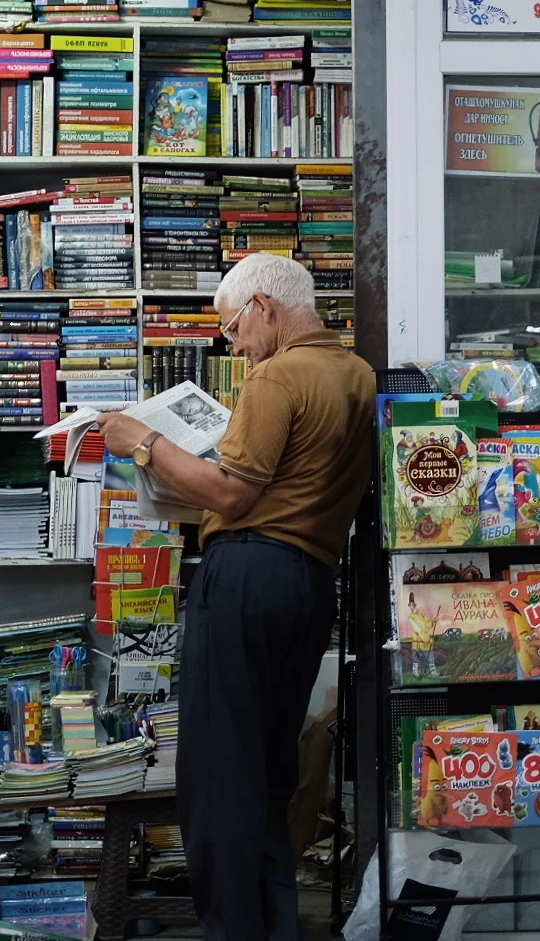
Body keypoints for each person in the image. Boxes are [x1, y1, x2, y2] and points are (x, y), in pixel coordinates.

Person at [97, 252, 375, 941]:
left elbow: (231, 494)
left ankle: (233, 930)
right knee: (268, 773)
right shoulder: (358, 375)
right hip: (310, 584)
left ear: (265, 307)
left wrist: (143, 443)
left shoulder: (278, 375)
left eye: (233, 328)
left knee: (218, 776)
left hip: (247, 575)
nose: (236, 346)